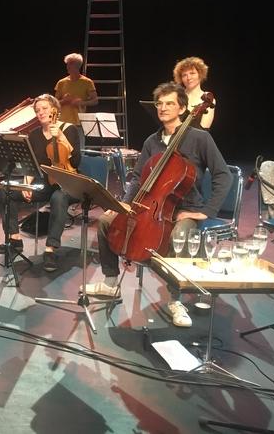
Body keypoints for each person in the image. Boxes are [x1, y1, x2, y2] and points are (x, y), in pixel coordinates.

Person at [84, 82, 231, 328]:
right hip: (151, 205)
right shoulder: (152, 141)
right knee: (106, 221)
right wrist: (124, 203)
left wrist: (207, 212)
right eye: (159, 103)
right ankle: (110, 283)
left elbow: (223, 176)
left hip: (186, 208)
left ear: (182, 108)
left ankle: (176, 299)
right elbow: (136, 177)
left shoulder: (200, 138)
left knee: (179, 234)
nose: (163, 108)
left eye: (169, 103)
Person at [0, 94, 82, 272]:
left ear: (54, 110)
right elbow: (30, 164)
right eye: (37, 110)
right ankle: (14, 239)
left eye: (44, 108)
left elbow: (76, 162)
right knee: (6, 191)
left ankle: (50, 249)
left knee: (59, 197)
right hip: (45, 182)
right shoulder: (34, 134)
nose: (40, 112)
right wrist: (27, 184)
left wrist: (62, 138)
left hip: (69, 183)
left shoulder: (69, 129)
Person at [54, 52, 98, 150]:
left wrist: (81, 103)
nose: (67, 67)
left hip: (78, 124)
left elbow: (95, 100)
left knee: (79, 152)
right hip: (62, 123)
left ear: (77, 65)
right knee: (62, 151)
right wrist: (64, 101)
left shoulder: (87, 82)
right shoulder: (61, 82)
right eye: (67, 64)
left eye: (70, 64)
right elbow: (54, 104)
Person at [173, 56, 215, 129]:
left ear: (200, 74)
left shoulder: (208, 99)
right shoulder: (176, 97)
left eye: (192, 73)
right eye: (184, 75)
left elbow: (203, 130)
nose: (188, 78)